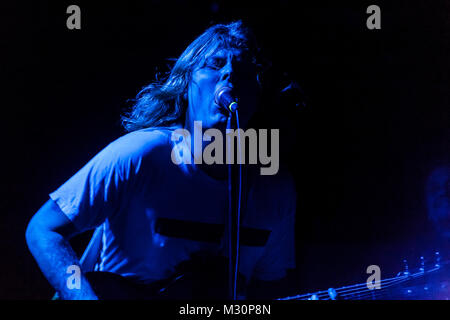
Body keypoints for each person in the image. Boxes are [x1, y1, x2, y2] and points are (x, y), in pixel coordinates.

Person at [25, 21, 297, 300]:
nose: (229, 74)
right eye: (214, 64)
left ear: (257, 93)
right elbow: (43, 229)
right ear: (186, 84)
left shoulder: (275, 186)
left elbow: (269, 286)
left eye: (243, 70)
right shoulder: (143, 154)